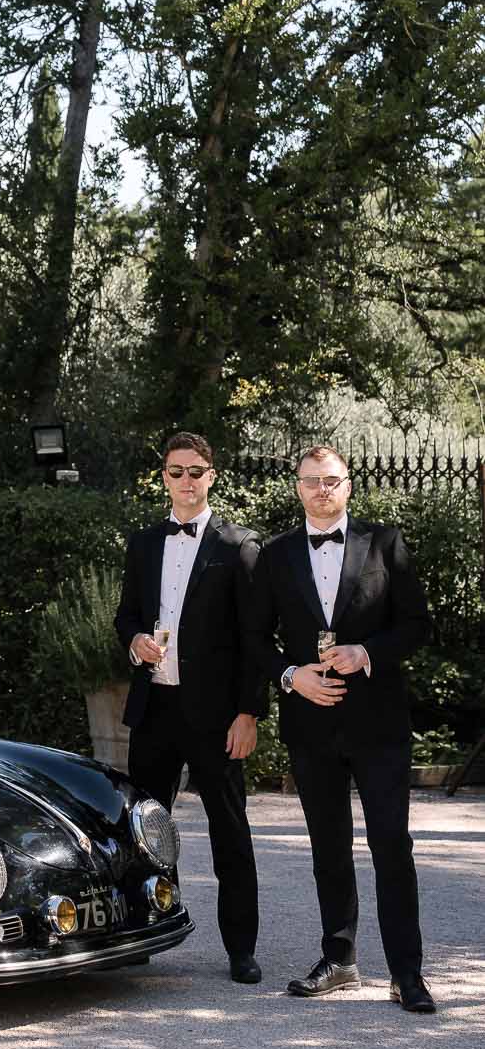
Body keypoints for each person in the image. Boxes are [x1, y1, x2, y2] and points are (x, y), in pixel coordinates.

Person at [248, 443, 435, 1014]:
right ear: (297, 487)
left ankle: (407, 973)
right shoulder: (275, 554)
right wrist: (291, 676)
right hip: (310, 723)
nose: (321, 489)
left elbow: (417, 624)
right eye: (311, 480)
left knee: (391, 845)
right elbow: (252, 639)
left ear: (348, 485)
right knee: (328, 847)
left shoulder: (385, 543)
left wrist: (367, 652)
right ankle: (339, 959)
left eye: (331, 480)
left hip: (379, 724)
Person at [114, 431, 265, 984]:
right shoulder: (143, 544)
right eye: (176, 471)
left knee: (230, 833)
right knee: (143, 830)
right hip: (155, 708)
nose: (186, 480)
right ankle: (142, 935)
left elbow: (255, 640)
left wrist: (248, 713)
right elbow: (126, 616)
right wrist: (136, 642)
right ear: (164, 477)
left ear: (211, 476)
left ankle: (241, 949)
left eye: (195, 471)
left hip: (217, 717)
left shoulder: (239, 546)